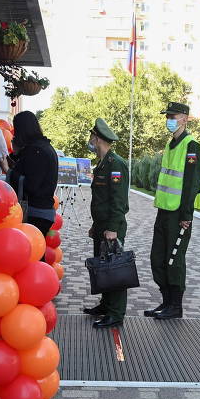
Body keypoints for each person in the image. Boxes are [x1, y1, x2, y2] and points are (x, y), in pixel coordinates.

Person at [145, 102, 200, 320]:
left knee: (174, 260)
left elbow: (191, 182)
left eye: (173, 116)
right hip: (164, 210)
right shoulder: (171, 144)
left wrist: (186, 215)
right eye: (167, 116)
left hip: (179, 214)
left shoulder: (191, 145)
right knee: (157, 258)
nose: (169, 119)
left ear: (185, 119)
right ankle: (166, 301)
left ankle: (175, 306)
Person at [83, 119, 130, 328]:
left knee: (115, 270)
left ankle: (116, 314)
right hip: (102, 226)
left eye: (92, 136)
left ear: (98, 138)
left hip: (112, 227)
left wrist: (112, 228)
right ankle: (105, 305)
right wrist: (97, 226)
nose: (90, 140)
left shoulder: (115, 164)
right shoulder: (102, 163)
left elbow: (118, 201)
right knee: (104, 268)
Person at [7, 111, 59, 235]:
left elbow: (31, 185)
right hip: (44, 211)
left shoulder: (36, 150)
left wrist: (9, 171)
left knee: (32, 251)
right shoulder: (44, 146)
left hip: (36, 212)